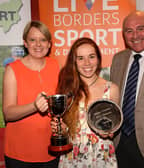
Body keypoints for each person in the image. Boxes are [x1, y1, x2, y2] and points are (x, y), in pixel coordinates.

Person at [51, 37, 120, 168]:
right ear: (74, 62)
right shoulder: (67, 89)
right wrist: (62, 129)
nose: (87, 63)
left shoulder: (111, 89)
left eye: (91, 56)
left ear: (98, 59)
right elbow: (66, 128)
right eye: (80, 58)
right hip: (73, 158)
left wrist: (110, 131)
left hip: (102, 157)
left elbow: (114, 125)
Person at [2, 20, 60, 168]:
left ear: (49, 44)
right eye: (33, 40)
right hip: (19, 155)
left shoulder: (56, 66)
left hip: (51, 151)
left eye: (43, 40)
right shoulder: (12, 69)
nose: (38, 44)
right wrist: (33, 106)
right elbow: (8, 113)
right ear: (25, 43)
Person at [110, 10, 144, 168]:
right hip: (120, 140)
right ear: (123, 35)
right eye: (129, 31)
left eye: (140, 28)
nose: (135, 35)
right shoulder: (118, 59)